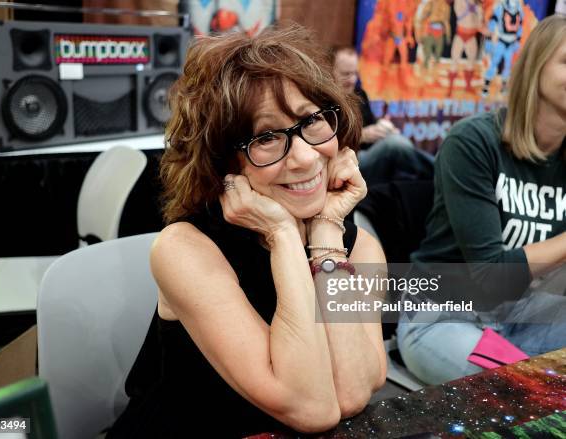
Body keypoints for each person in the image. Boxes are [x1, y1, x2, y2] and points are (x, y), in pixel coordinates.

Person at [107, 24, 387, 438]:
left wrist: (326, 234)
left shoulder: (357, 247)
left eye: (312, 120)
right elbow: (311, 408)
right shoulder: (184, 249)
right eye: (267, 137)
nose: (306, 158)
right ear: (223, 162)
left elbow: (350, 395)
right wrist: (284, 236)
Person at [397, 15, 566, 385]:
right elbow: (491, 277)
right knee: (537, 394)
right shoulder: (473, 142)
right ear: (536, 68)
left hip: (527, 314)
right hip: (444, 315)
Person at [331, 46, 434, 186]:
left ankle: (436, 174)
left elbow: (371, 124)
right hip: (343, 162)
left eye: (355, 73)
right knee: (394, 145)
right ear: (329, 71)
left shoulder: (359, 94)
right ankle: (440, 169)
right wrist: (361, 136)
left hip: (367, 153)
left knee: (397, 142)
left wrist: (383, 128)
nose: (352, 79)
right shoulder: (323, 101)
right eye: (346, 74)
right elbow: (325, 143)